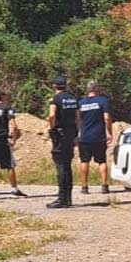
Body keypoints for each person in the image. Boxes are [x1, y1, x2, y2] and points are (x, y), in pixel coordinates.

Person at [47, 77, 80, 208]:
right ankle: (68, 198)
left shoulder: (55, 99)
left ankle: (61, 198)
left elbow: (51, 115)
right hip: (71, 133)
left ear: (54, 86)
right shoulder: (73, 99)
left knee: (60, 165)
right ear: (66, 85)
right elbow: (78, 118)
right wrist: (76, 134)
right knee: (67, 164)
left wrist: (51, 128)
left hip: (60, 134)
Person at [78, 81, 113, 194]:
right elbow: (106, 118)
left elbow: (77, 119)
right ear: (97, 89)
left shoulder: (81, 103)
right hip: (98, 136)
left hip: (84, 137)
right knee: (102, 161)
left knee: (84, 161)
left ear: (87, 90)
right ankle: (104, 186)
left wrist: (79, 132)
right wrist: (109, 132)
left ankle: (84, 187)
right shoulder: (103, 101)